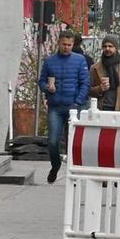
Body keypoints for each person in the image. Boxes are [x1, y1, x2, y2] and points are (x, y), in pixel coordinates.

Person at [39, 30, 90, 184]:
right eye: (64, 44)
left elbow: (85, 83)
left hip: (73, 106)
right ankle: (55, 165)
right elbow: (41, 81)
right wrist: (47, 88)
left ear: (73, 44)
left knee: (72, 142)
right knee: (53, 141)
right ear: (59, 43)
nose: (67, 47)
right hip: (55, 106)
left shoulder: (79, 60)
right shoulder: (49, 61)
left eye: (69, 45)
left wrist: (78, 102)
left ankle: (73, 173)